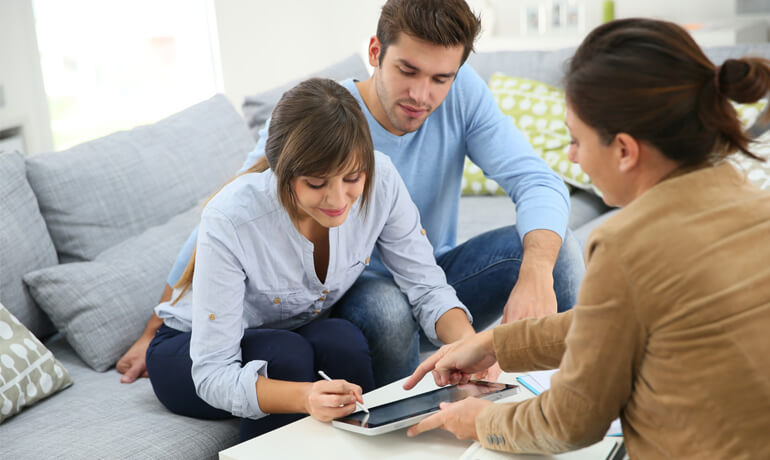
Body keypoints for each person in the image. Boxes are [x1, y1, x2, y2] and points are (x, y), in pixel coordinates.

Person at [119, 0, 585, 387]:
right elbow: (230, 215)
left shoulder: (462, 95)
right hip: (352, 288)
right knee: (387, 307)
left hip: (428, 271)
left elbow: (537, 181)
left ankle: (559, 400)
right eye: (407, 70)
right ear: (375, 51)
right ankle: (407, 421)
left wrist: (535, 271)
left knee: (557, 251)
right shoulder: (321, 120)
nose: (421, 95)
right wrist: (154, 328)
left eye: (440, 78)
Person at [402, 18, 770, 458]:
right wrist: (495, 343)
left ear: (624, 150)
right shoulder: (752, 202)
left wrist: (479, 421)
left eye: (576, 140)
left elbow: (569, 421)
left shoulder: (626, 244)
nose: (572, 156)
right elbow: (616, 323)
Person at [145, 78, 476, 441]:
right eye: (317, 183)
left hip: (287, 333)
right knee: (285, 358)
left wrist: (470, 348)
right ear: (282, 172)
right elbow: (213, 374)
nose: (338, 199)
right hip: (190, 349)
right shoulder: (232, 217)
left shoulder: (381, 181)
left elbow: (427, 286)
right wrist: (305, 397)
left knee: (344, 342)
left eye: (352, 178)